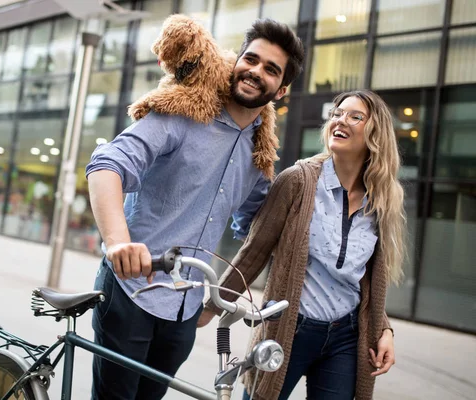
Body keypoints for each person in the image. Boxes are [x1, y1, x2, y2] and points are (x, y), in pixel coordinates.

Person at [85, 18, 305, 400]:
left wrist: (227, 296)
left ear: (281, 90)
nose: (255, 71)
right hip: (131, 289)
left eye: (270, 69)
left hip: (185, 309)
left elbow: (260, 227)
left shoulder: (258, 160)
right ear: (236, 61)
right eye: (250, 59)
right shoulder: (180, 116)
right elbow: (107, 165)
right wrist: (118, 242)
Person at [198, 89, 406, 400]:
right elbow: (254, 251)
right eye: (336, 114)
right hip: (289, 328)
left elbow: (364, 278)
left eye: (355, 116)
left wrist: (384, 329)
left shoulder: (382, 199)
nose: (340, 120)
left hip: (346, 337)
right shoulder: (298, 181)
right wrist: (209, 309)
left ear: (376, 133)